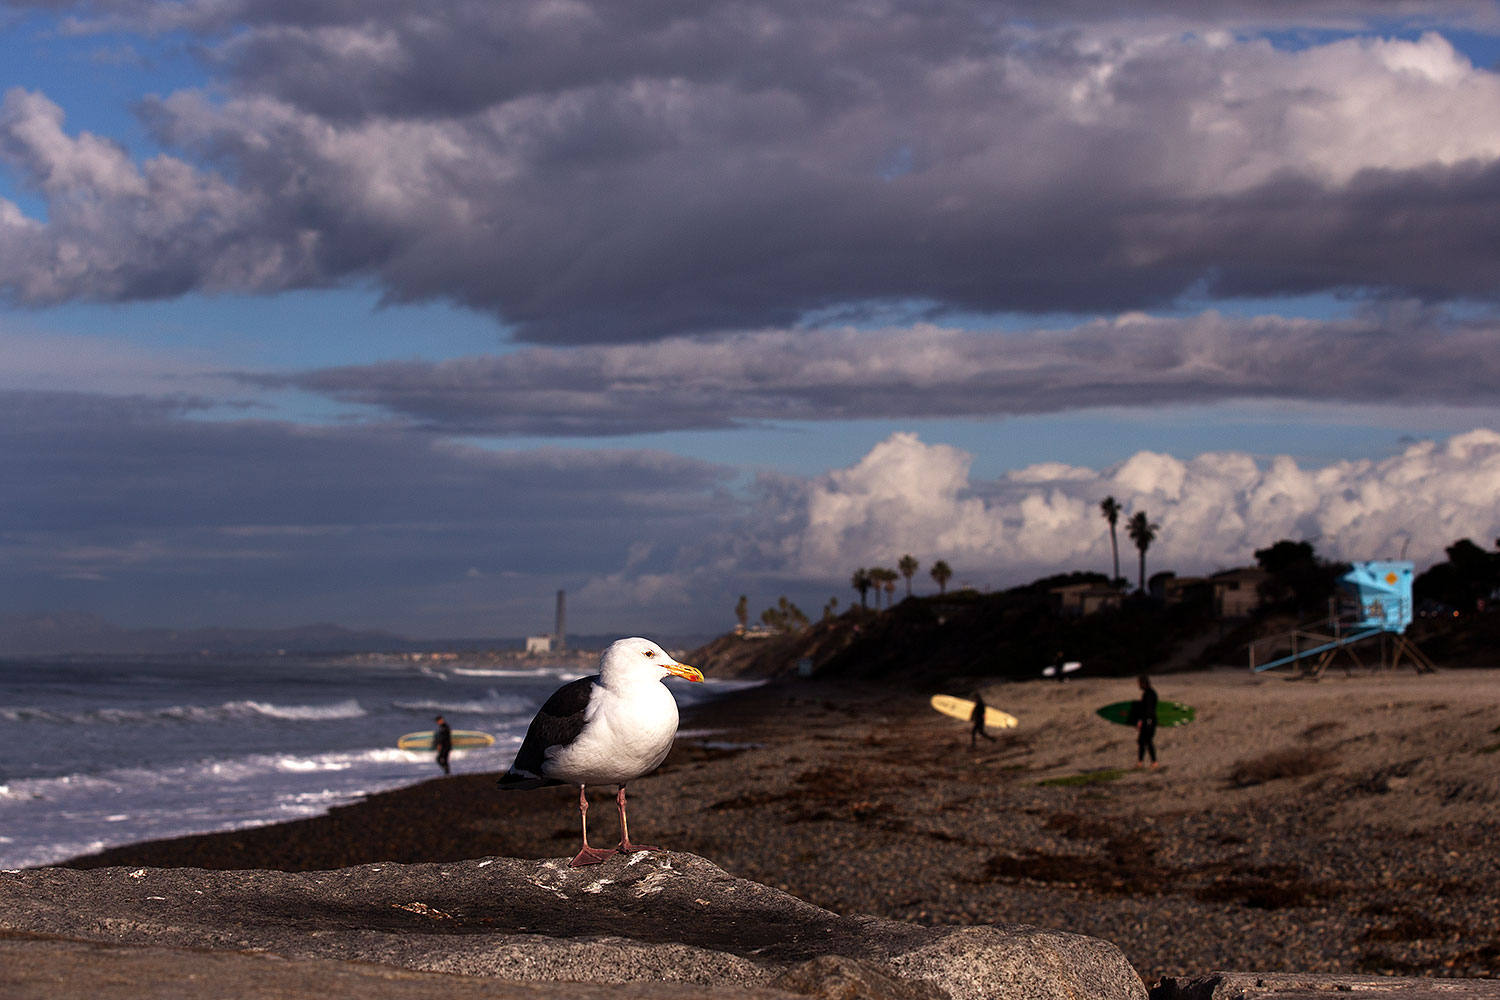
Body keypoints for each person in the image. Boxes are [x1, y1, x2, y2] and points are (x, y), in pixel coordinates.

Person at [1127, 676, 1159, 769]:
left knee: (1147, 741)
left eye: (1139, 683)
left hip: (1149, 721)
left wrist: (1141, 720)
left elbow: (1148, 709)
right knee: (1141, 741)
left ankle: (1154, 762)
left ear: (1143, 683)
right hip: (1149, 720)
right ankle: (1140, 762)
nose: (1138, 685)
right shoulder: (1149, 693)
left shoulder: (1149, 694)